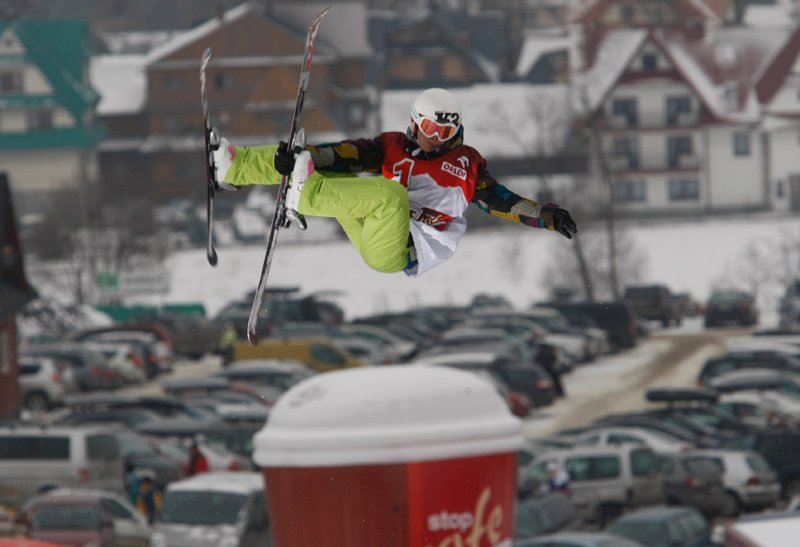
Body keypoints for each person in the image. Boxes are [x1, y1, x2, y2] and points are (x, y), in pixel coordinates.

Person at [212, 88, 577, 276]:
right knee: (314, 162)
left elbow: (502, 201)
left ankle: (301, 198)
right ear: (415, 122)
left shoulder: (465, 165)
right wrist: (300, 160)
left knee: (389, 193)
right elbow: (344, 154)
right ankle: (233, 167)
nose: (436, 137)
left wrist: (546, 215)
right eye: (430, 128)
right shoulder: (391, 146)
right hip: (372, 227)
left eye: (445, 130)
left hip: (403, 249)